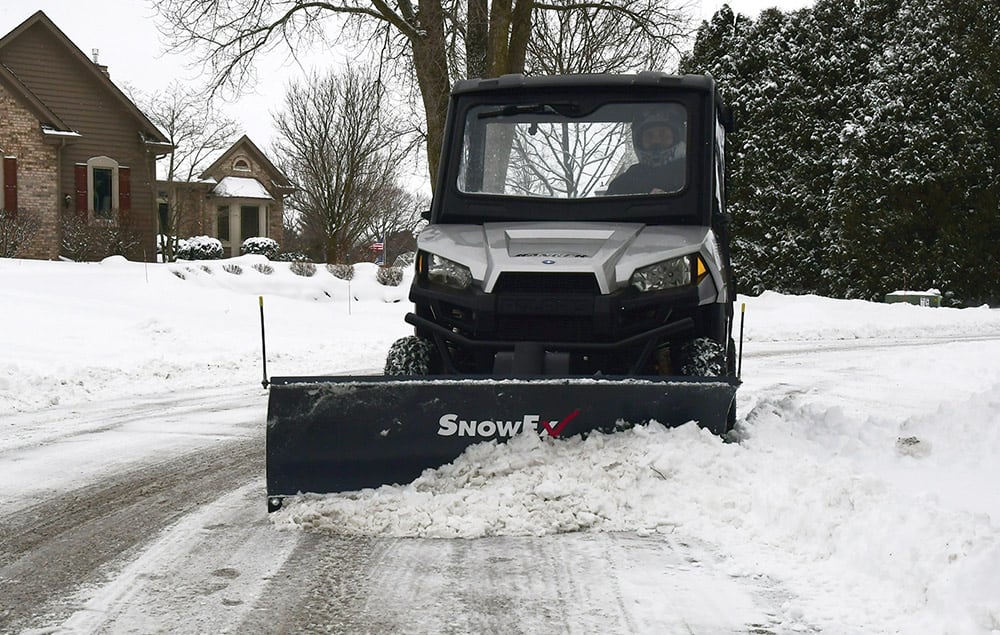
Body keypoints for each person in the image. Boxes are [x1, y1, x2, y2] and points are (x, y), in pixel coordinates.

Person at [606, 107, 685, 195]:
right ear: (639, 141)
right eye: (649, 136)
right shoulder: (625, 183)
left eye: (663, 134)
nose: (656, 141)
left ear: (677, 136)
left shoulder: (693, 173)